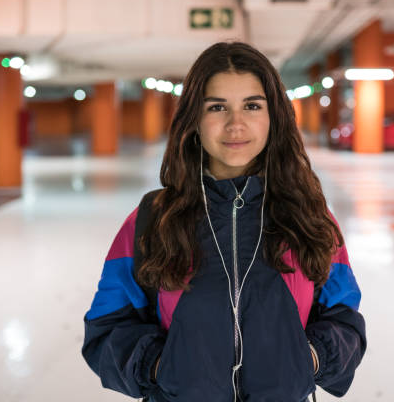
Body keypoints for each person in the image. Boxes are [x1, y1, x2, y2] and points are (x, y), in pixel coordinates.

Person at [82, 41, 366, 402]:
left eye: (252, 105)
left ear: (273, 116)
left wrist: (309, 359)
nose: (236, 124)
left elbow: (344, 319)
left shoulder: (309, 217)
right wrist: (161, 367)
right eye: (217, 107)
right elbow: (107, 329)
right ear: (194, 120)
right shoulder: (152, 221)